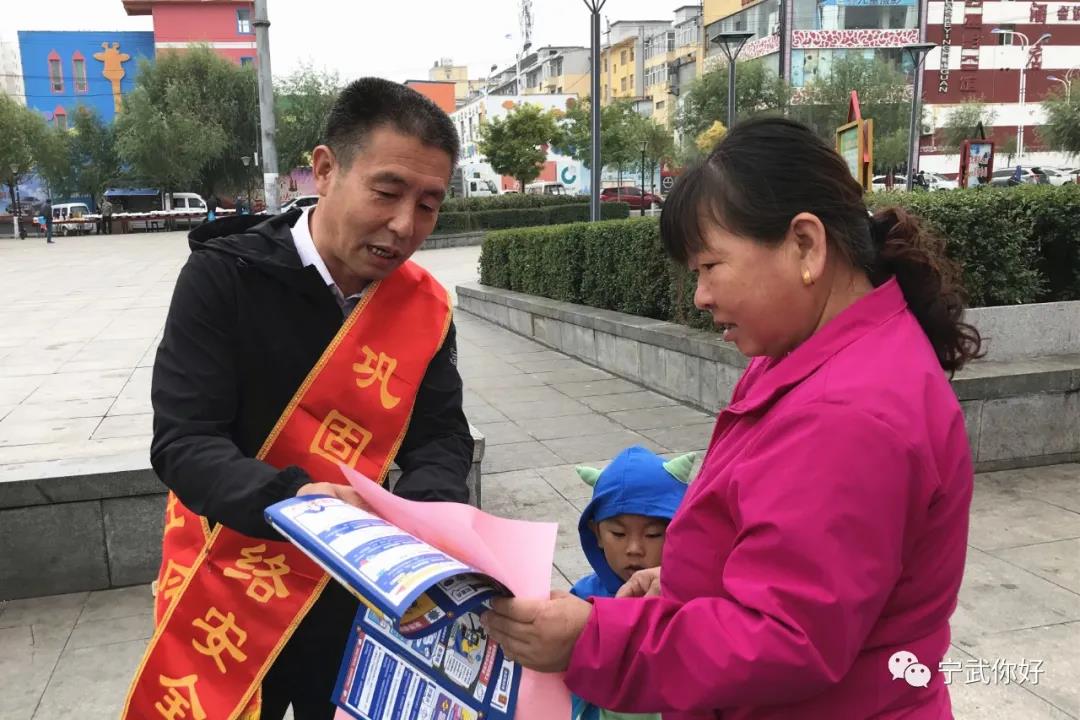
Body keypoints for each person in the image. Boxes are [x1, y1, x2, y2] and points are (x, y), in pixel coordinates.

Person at [482, 117, 982, 719]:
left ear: (805, 245)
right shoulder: (806, 357)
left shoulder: (848, 412)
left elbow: (784, 638)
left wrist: (593, 640)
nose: (701, 296)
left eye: (710, 266)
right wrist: (684, 583)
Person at [123, 77, 475, 720]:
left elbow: (441, 435)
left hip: (358, 591)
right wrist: (295, 502)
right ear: (325, 169)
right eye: (387, 192)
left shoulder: (422, 308)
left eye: (428, 204)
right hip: (232, 574)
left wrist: (425, 514)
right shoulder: (224, 275)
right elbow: (185, 441)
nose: (404, 226)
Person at [569, 447, 695, 720]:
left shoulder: (694, 602)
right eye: (618, 533)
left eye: (653, 534)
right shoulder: (581, 601)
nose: (634, 548)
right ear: (596, 533)